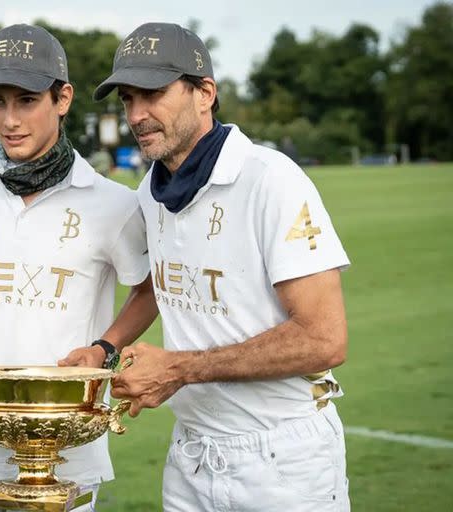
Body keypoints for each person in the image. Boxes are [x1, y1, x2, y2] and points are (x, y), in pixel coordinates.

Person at [93, 22, 351, 511]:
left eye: (153, 94)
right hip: (191, 455)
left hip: (283, 456)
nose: (137, 115)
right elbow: (152, 286)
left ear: (204, 93)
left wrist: (180, 370)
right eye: (127, 98)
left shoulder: (271, 180)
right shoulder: (152, 190)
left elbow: (325, 339)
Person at [0, 23, 158, 512]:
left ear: (63, 99)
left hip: (66, 457)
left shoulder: (115, 205)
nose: (9, 120)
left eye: (26, 100)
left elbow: (148, 290)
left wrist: (106, 347)